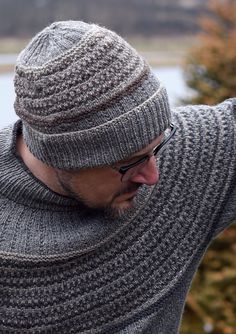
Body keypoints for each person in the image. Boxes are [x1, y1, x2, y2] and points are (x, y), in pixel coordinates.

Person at [0, 20, 235, 334]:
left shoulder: (185, 156)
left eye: (158, 146)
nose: (153, 175)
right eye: (131, 163)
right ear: (60, 157)